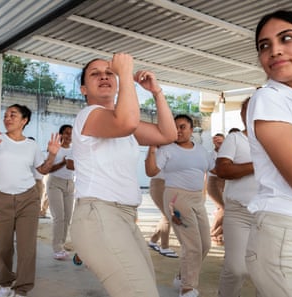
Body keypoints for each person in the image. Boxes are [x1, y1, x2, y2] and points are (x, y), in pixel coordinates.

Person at [70, 53, 177, 297]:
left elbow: (167, 135)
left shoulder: (119, 121)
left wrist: (157, 92)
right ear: (84, 89)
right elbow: (127, 122)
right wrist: (126, 74)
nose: (104, 76)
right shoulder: (89, 116)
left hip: (124, 216)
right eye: (95, 74)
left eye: (109, 73)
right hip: (99, 214)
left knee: (146, 289)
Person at [245, 10, 292, 297]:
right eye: (264, 46)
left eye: (286, 39)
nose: (275, 50)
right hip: (287, 236)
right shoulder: (270, 99)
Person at [0, 104, 61, 297]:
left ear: (24, 120)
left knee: (27, 247)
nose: (7, 118)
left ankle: (22, 289)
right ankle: (5, 284)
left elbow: (42, 169)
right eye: (5, 115)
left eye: (13, 115)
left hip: (27, 199)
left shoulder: (31, 146)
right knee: (2, 246)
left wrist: (53, 154)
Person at [145, 114, 214, 297]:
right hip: (176, 197)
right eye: (175, 127)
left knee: (205, 244)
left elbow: (215, 169)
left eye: (183, 127)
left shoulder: (201, 150)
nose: (178, 131)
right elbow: (151, 171)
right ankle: (187, 287)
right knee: (192, 245)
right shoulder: (167, 149)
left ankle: (182, 277)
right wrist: (152, 148)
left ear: (192, 130)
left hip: (197, 198)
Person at [215, 98, 260, 297]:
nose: (247, 113)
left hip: (269, 214)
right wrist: (259, 164)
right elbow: (223, 169)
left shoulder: (279, 140)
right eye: (244, 110)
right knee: (236, 268)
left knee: (265, 272)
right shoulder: (235, 139)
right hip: (239, 211)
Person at [47, 124, 75, 260]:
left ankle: (62, 245)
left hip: (70, 185)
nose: (69, 136)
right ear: (60, 135)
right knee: (59, 217)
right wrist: (63, 163)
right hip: (55, 183)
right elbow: (48, 169)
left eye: (71, 133)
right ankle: (57, 248)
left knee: (67, 217)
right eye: (66, 133)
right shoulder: (55, 149)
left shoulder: (75, 150)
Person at [146, 146, 178, 258]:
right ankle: (164, 247)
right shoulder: (160, 152)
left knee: (166, 215)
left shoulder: (167, 150)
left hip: (167, 184)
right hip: (159, 184)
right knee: (168, 215)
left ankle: (153, 241)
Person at [207, 133, 225, 245]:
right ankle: (214, 233)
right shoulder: (210, 155)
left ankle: (219, 234)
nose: (218, 143)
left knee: (223, 209)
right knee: (223, 208)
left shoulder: (228, 153)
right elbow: (211, 170)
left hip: (225, 181)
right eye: (216, 141)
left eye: (221, 141)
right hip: (214, 182)